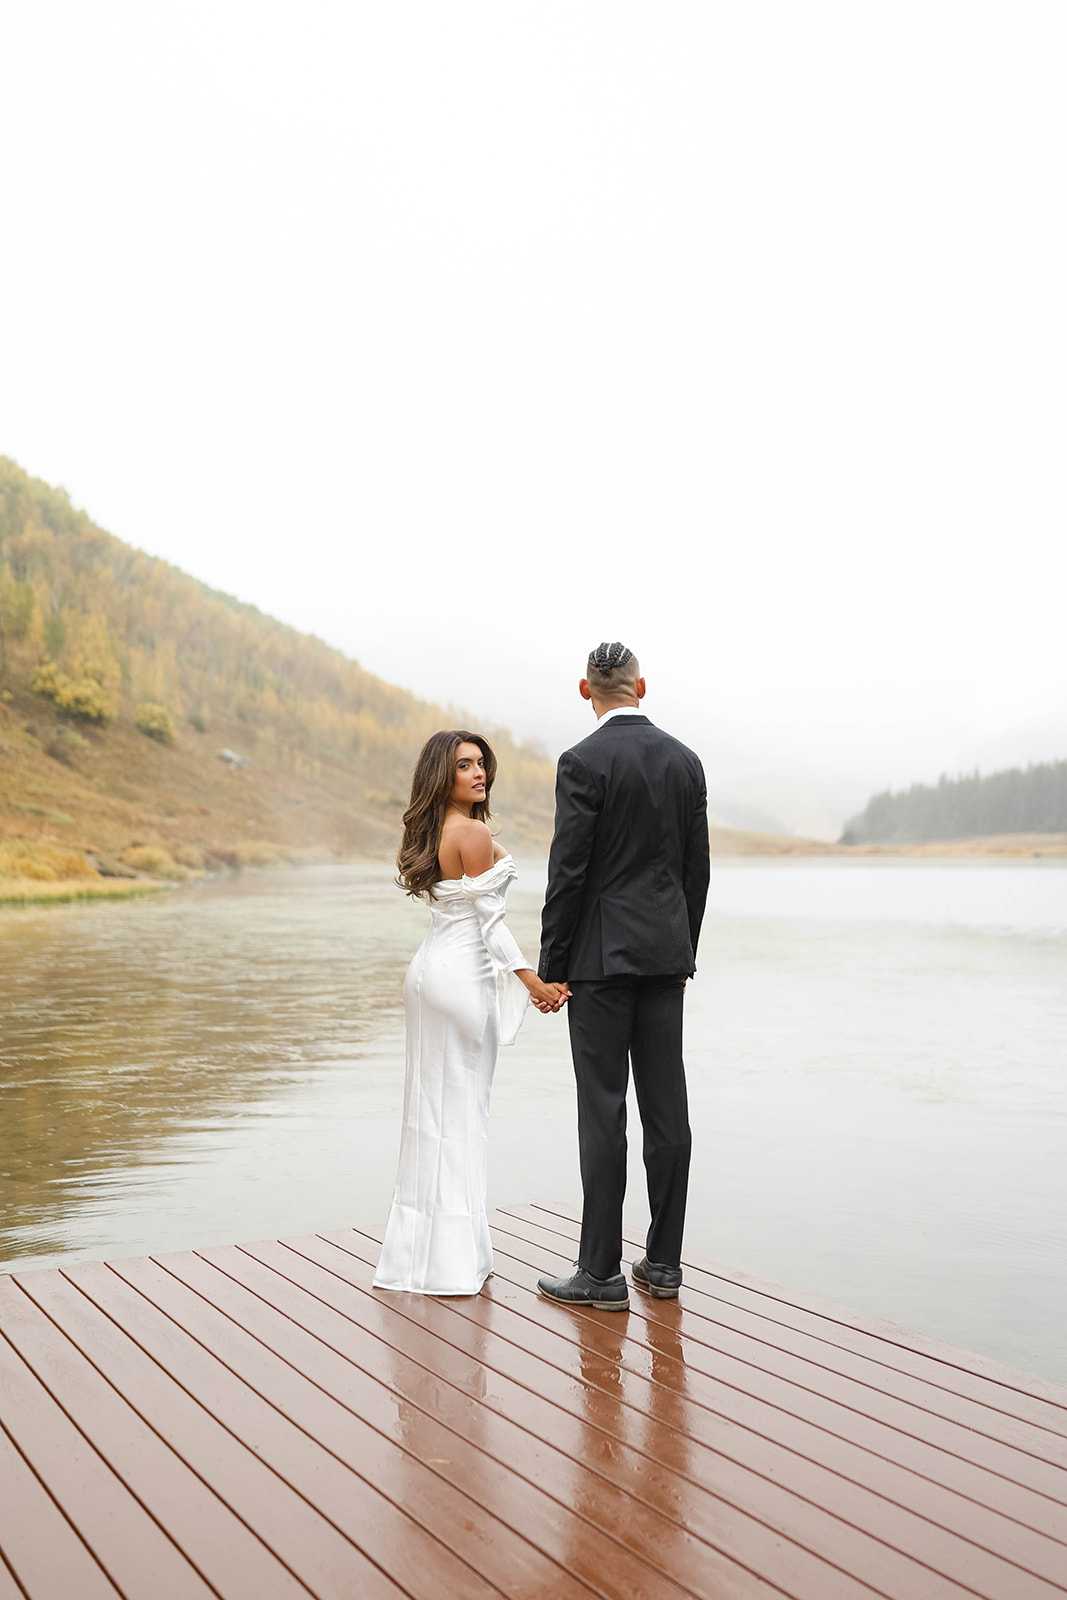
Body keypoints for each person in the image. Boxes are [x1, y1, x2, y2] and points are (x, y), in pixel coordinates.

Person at [536, 643, 711, 1310]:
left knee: (602, 1110)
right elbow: (696, 871)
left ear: (587, 690)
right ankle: (663, 1265)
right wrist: (681, 950)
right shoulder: (684, 760)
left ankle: (600, 1274)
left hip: (600, 963)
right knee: (668, 1108)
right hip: (665, 958)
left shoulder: (582, 762)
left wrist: (552, 969)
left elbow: (569, 874)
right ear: (642, 685)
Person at [374, 729, 565, 1296]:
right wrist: (534, 981)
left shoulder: (431, 830)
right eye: (464, 766)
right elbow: (490, 926)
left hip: (427, 974)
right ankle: (452, 1265)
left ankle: (417, 1261)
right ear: (443, 775)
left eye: (481, 763)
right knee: (459, 1117)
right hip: (461, 980)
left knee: (427, 1115)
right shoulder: (474, 832)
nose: (478, 774)